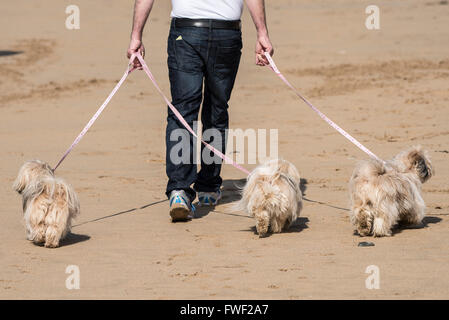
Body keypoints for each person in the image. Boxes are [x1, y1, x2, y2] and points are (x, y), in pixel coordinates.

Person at [127, 0, 274, 221]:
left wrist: (136, 36)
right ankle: (207, 187)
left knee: (183, 112)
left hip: (186, 33)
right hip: (226, 33)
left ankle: (180, 190)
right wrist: (262, 32)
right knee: (216, 109)